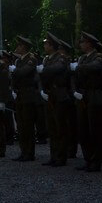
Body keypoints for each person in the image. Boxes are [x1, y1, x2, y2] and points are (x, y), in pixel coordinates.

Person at [73, 31, 102, 172]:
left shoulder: (99, 57)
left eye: (83, 42)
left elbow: (96, 68)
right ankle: (88, 159)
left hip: (95, 95)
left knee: (95, 130)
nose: (81, 44)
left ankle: (96, 161)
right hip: (83, 95)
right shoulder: (82, 58)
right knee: (83, 130)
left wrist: (79, 68)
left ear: (90, 43)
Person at [39, 32, 72, 166]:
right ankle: (53, 156)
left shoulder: (61, 58)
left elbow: (57, 69)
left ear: (52, 46)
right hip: (50, 94)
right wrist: (43, 90)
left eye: (46, 44)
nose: (45, 46)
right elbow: (42, 77)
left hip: (60, 94)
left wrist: (44, 70)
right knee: (51, 128)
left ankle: (61, 157)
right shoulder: (47, 59)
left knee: (60, 127)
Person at [10, 36, 38, 162]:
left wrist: (14, 71)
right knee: (21, 125)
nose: (17, 47)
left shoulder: (31, 59)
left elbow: (24, 72)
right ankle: (23, 151)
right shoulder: (20, 60)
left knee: (28, 125)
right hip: (20, 95)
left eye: (20, 45)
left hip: (28, 95)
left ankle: (29, 153)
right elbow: (15, 78)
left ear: (24, 47)